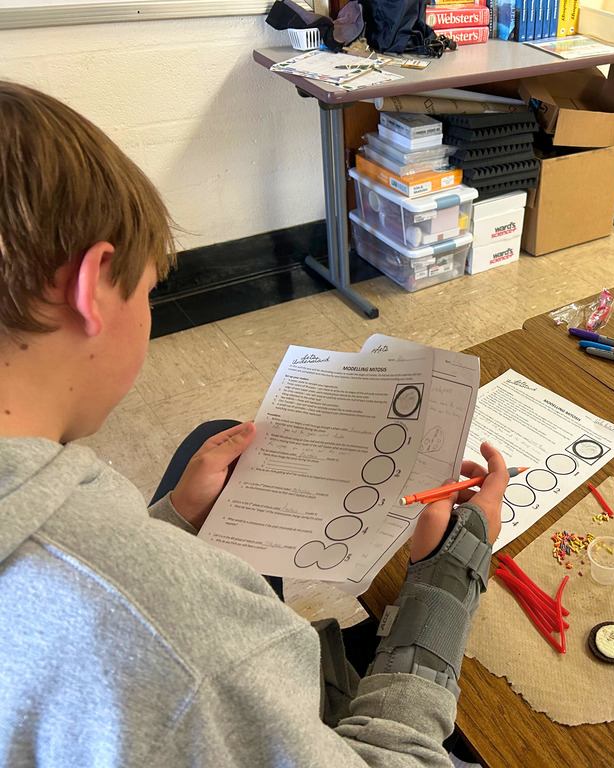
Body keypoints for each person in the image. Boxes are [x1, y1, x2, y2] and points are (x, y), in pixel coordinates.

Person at [0, 79, 510, 767]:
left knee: (202, 443)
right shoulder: (177, 638)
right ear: (94, 286)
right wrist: (447, 579)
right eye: (150, 292)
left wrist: (176, 519)